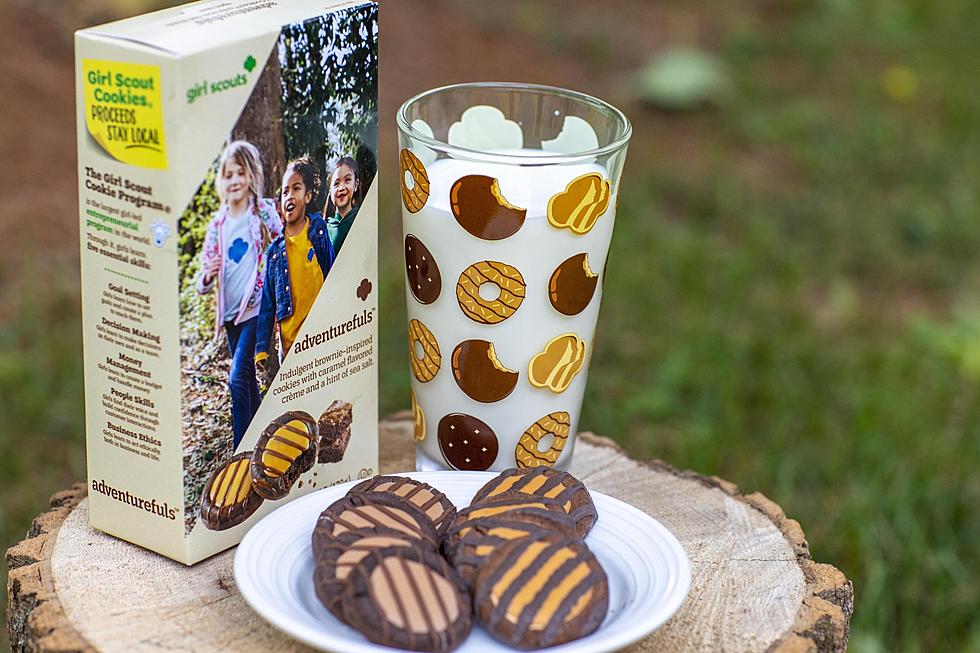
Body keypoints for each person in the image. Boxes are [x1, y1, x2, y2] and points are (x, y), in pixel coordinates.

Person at [195, 140, 282, 448]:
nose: (234, 181)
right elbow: (202, 279)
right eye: (228, 174)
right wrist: (208, 274)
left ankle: (240, 448)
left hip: (255, 308)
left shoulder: (261, 211)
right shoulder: (218, 225)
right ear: (222, 180)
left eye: (240, 173)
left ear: (251, 176)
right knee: (245, 379)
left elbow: (283, 240)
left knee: (236, 378)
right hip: (230, 313)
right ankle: (262, 439)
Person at [255, 156, 335, 376]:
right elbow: (267, 304)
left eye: (296, 189)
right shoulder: (273, 253)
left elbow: (332, 271)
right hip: (290, 348)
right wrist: (262, 349)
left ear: (308, 196)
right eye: (285, 191)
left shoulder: (317, 230)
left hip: (322, 335)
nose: (289, 195)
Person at [325, 156, 361, 256]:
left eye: (347, 180)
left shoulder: (363, 218)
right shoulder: (325, 230)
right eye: (336, 183)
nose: (341, 188)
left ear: (356, 185)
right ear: (330, 191)